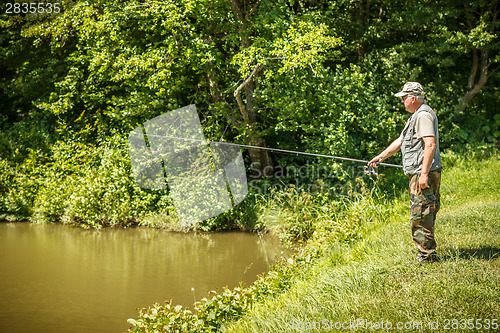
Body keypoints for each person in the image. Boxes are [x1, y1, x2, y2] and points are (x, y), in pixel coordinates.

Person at [368, 82, 442, 263]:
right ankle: (426, 253)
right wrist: (381, 157)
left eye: (403, 98)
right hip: (420, 172)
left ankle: (427, 256)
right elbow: (401, 140)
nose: (402, 101)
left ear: (413, 98)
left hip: (422, 173)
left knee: (421, 214)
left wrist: (423, 174)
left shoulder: (423, 115)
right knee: (423, 212)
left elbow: (430, 144)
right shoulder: (415, 116)